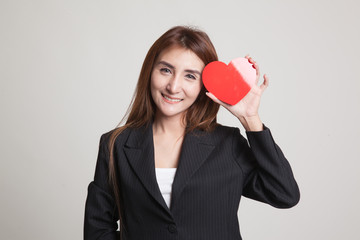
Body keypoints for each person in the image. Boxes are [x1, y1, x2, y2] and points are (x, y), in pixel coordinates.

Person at [84, 26, 300, 240]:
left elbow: (284, 194)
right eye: (166, 70)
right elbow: (98, 227)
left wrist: (250, 119)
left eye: (190, 76)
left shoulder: (228, 144)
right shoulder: (116, 144)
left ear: (203, 86)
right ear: (150, 72)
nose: (174, 86)